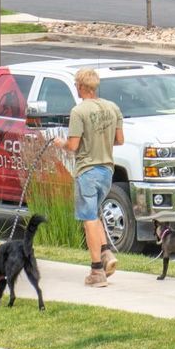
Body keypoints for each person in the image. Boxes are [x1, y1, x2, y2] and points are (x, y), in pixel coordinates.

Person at [63, 67, 124, 286]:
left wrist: (61, 143)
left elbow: (73, 145)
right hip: (107, 170)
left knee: (88, 219)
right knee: (95, 214)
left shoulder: (78, 112)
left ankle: (97, 271)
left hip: (87, 171)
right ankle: (107, 253)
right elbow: (120, 140)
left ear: (80, 86)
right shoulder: (113, 108)